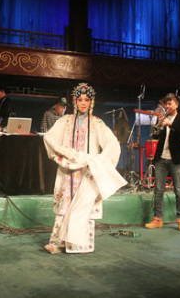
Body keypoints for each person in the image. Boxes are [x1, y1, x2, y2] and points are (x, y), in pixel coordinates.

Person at [43, 83, 126, 254]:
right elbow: (49, 138)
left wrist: (99, 160)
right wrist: (65, 153)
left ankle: (80, 244)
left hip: (88, 170)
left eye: (86, 100)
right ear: (74, 101)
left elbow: (112, 144)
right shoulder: (65, 121)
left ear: (91, 102)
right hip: (69, 168)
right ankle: (58, 243)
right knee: (65, 204)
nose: (83, 103)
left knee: (83, 206)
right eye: (79, 100)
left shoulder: (97, 123)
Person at [145, 93, 180, 232]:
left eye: (170, 104)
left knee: (179, 190)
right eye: (166, 104)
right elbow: (156, 135)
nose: (168, 106)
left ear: (177, 104)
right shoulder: (163, 118)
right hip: (161, 159)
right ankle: (157, 219)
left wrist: (171, 124)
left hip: (175, 159)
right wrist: (158, 127)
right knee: (158, 190)